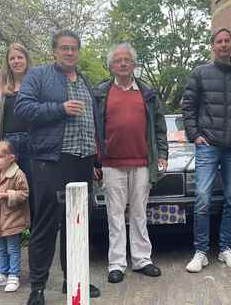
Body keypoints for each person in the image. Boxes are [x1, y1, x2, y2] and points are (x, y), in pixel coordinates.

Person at [15, 30, 101, 305]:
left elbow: (93, 122)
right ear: (54, 51)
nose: (69, 52)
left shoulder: (85, 80)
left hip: (83, 161)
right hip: (51, 160)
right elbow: (23, 108)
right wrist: (60, 108)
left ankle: (72, 279)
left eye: (74, 48)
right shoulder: (39, 76)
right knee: (46, 224)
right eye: (64, 48)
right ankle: (37, 287)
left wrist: (97, 158)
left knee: (77, 224)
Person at [181, 28, 231, 273]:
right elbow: (188, 107)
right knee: (202, 198)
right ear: (212, 46)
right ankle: (200, 251)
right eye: (219, 41)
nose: (223, 45)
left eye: (227, 41)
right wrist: (195, 135)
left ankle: (225, 248)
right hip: (208, 146)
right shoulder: (200, 73)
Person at [93, 43, 168, 284]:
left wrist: (163, 154)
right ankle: (116, 263)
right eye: (118, 60)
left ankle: (142, 260)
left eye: (127, 60)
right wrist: (96, 159)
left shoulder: (147, 93)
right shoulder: (101, 93)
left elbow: (159, 127)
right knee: (114, 214)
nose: (123, 63)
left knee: (139, 213)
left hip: (142, 162)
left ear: (134, 64)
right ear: (111, 65)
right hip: (111, 164)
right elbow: (94, 129)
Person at [0, 43, 34, 225]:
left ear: (26, 59)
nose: (16, 61)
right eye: (12, 58)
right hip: (8, 144)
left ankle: (34, 241)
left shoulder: (36, 82)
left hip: (32, 142)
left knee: (32, 191)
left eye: (20, 57)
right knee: (8, 191)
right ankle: (12, 244)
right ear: (8, 62)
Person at [0, 141, 30, 292]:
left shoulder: (18, 174)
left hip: (12, 218)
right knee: (0, 249)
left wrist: (7, 195)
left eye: (1, 157)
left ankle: (13, 275)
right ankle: (2, 273)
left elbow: (24, 193)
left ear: (11, 158)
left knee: (13, 249)